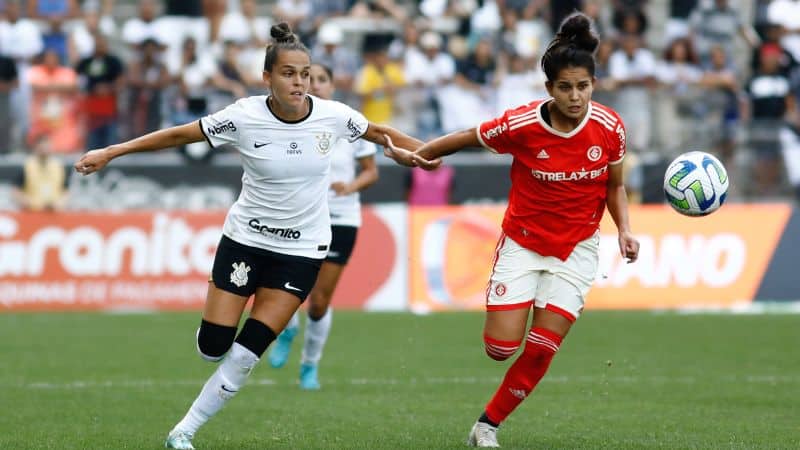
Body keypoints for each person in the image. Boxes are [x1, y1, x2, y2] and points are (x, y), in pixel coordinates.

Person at [74, 22, 422, 450]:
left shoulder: (335, 115)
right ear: (267, 78)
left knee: (247, 352)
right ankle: (216, 314)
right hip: (246, 241)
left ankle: (183, 432)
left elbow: (384, 135)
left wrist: (426, 153)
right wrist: (112, 151)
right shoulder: (243, 116)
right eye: (289, 73)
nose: (299, 82)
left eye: (305, 73)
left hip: (301, 249)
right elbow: (180, 134)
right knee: (213, 347)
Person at [384, 13, 640, 448]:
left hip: (577, 249)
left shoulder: (610, 128)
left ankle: (486, 427)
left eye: (583, 86)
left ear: (594, 85)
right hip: (522, 244)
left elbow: (614, 186)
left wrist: (625, 230)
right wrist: (420, 153)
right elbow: (468, 135)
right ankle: (508, 340)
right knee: (500, 350)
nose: (575, 96)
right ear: (549, 89)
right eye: (565, 87)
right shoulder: (522, 125)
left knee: (541, 349)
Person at [267, 63, 379, 390]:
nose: (313, 85)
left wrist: (351, 186)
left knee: (318, 301)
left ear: (332, 85)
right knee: (285, 292)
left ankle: (309, 366)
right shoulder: (290, 122)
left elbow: (371, 172)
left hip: (341, 218)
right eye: (308, 79)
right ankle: (287, 329)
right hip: (300, 216)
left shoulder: (350, 124)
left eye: (321, 80)